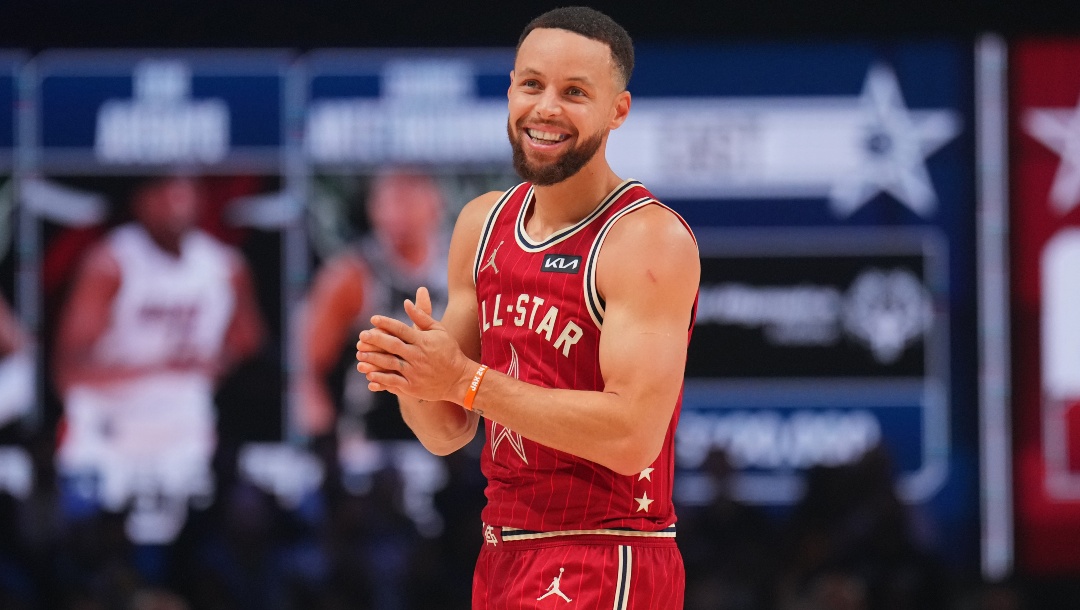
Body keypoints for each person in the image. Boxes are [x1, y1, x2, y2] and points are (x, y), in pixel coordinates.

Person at [356, 7, 700, 609]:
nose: (545, 108)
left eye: (574, 93)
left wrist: (466, 378)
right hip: (502, 552)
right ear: (510, 89)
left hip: (607, 553)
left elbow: (632, 435)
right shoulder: (483, 223)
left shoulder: (646, 239)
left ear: (617, 110)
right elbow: (447, 431)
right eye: (532, 84)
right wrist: (414, 375)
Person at [51, 173, 266, 548]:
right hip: (108, 431)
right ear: (142, 201)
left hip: (182, 435)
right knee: (93, 545)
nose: (177, 203)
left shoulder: (223, 266)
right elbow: (69, 374)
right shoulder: (111, 262)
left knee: (189, 542)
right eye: (166, 193)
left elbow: (250, 343)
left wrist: (220, 362)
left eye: (185, 192)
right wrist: (161, 369)